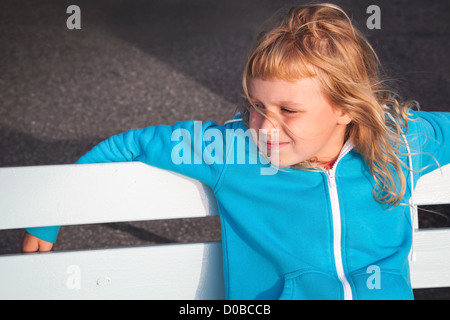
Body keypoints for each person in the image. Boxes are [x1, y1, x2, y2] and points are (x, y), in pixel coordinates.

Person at [22, 3, 450, 299]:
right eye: (256, 106)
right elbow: (130, 145)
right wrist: (51, 216)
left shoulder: (398, 142)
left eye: (289, 109)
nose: (266, 126)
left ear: (345, 108)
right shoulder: (230, 151)